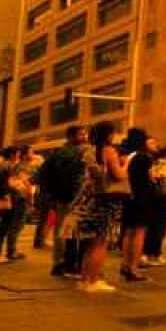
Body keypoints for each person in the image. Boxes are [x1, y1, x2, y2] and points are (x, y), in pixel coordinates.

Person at [61, 122, 128, 292]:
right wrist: (126, 163)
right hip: (105, 200)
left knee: (90, 243)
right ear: (108, 134)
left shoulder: (89, 151)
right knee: (100, 242)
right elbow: (119, 174)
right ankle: (94, 280)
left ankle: (85, 279)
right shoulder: (108, 151)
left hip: (90, 199)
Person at [39, 126, 89, 276]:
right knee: (68, 230)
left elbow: (43, 172)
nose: (85, 137)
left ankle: (60, 263)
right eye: (81, 134)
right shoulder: (77, 152)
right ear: (71, 136)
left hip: (62, 196)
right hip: (72, 196)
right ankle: (65, 263)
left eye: (85, 134)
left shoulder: (58, 152)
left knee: (63, 229)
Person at [116, 129, 156, 282]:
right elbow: (151, 177)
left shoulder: (130, 156)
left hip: (129, 196)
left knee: (128, 231)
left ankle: (125, 264)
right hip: (142, 197)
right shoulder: (144, 157)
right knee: (139, 232)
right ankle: (134, 268)